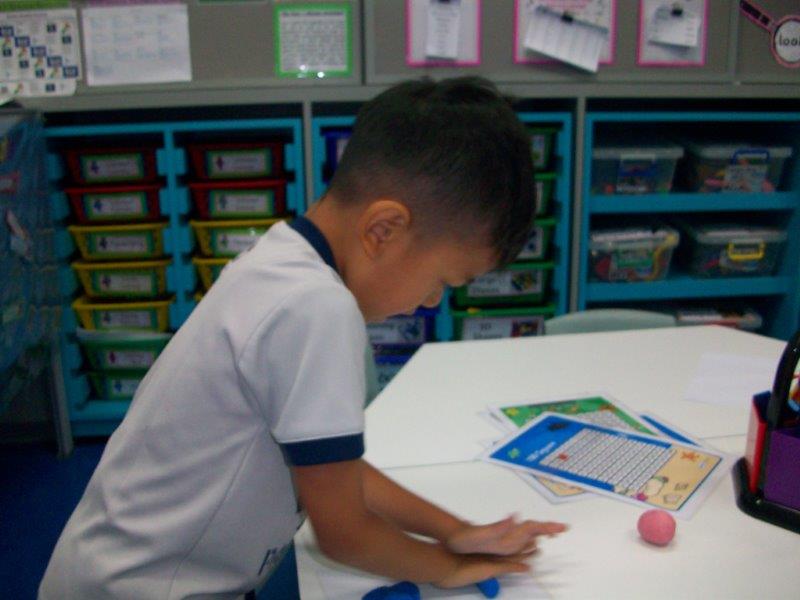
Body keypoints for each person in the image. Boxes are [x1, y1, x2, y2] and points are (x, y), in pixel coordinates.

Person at [40, 76, 567, 599]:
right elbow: (344, 534)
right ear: (383, 230)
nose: (432, 302)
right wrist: (445, 567)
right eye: (442, 281)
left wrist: (452, 531)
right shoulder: (318, 309)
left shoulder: (283, 259)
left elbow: (332, 472)